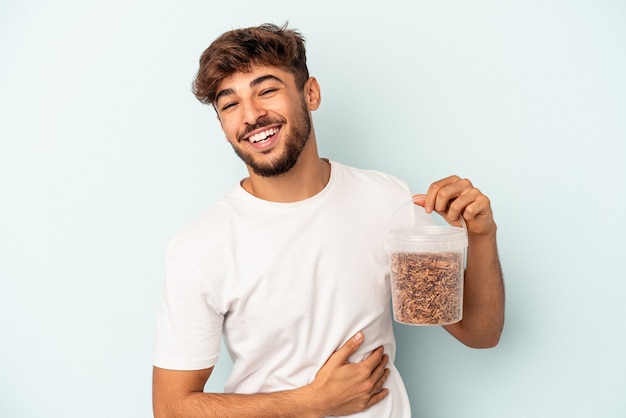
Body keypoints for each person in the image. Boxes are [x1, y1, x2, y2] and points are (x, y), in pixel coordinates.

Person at [152, 23, 504, 418]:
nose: (251, 115)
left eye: (267, 90)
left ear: (311, 93)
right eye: (230, 104)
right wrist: (312, 402)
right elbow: (171, 408)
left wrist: (482, 234)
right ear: (222, 124)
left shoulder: (386, 198)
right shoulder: (198, 248)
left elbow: (480, 332)